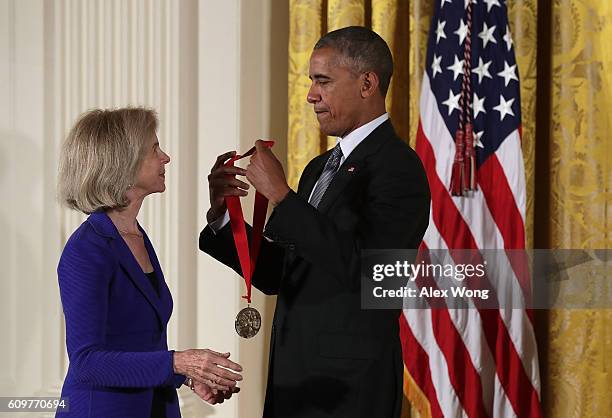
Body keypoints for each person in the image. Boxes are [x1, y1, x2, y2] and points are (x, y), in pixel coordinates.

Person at [200, 26, 430, 418]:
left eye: (323, 81)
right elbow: (285, 274)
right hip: (296, 383)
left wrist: (283, 198)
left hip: (351, 392)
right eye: (311, 82)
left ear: (367, 83)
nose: (310, 95)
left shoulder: (399, 167)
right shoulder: (319, 168)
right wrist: (224, 218)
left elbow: (374, 273)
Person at [56, 108, 243, 418]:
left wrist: (185, 375)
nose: (165, 157)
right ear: (123, 163)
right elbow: (87, 362)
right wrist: (178, 363)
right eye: (154, 149)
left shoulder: (135, 236)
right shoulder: (86, 250)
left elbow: (138, 344)